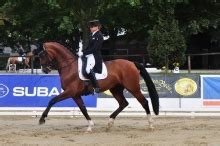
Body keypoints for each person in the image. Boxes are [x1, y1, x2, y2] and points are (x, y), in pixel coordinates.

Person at [79, 19, 104, 93]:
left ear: (97, 27)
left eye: (92, 26)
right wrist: (82, 51)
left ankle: (96, 86)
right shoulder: (92, 35)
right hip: (89, 55)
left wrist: (84, 53)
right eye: (90, 27)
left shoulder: (99, 35)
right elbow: (89, 47)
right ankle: (86, 84)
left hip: (95, 56)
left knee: (88, 69)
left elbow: (95, 48)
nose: (91, 28)